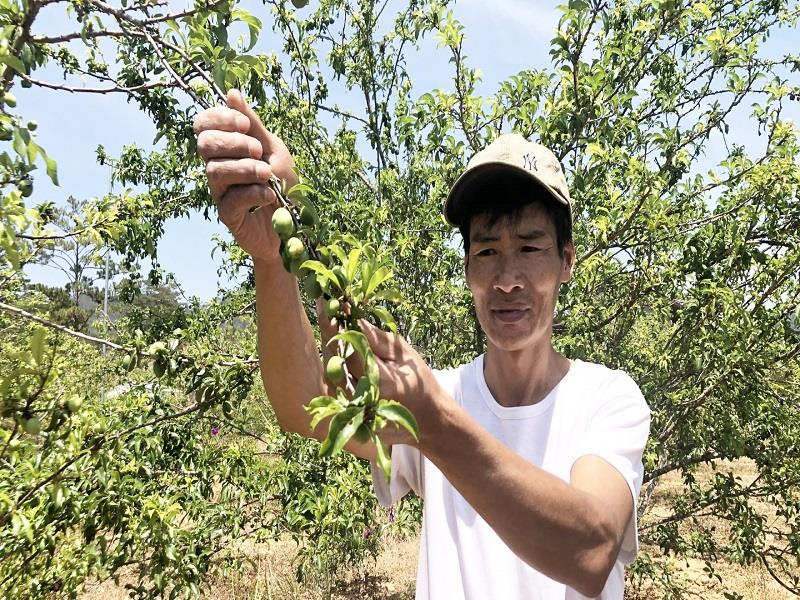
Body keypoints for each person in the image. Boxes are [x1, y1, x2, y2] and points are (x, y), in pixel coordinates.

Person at [194, 89, 651, 600]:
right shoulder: (437, 393)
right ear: (467, 268)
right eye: (487, 251)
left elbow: (590, 552)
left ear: (566, 261)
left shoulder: (606, 398)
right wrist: (274, 256)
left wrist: (433, 422)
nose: (506, 278)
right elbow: (304, 409)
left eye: (530, 247)